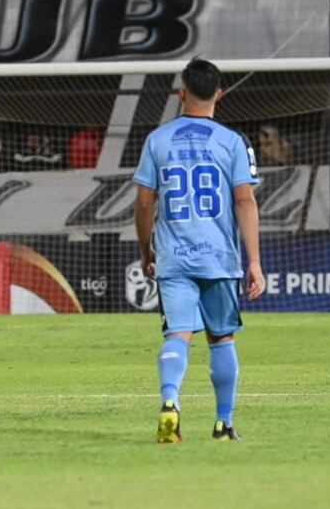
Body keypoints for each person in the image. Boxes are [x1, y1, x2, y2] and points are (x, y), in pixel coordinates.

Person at [133, 59, 264, 444]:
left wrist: (146, 250)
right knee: (222, 338)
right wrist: (254, 261)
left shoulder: (157, 140)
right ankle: (223, 423)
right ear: (219, 94)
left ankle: (171, 402)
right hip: (219, 258)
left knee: (178, 334)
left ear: (182, 92)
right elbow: (245, 202)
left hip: (173, 258)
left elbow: (143, 204)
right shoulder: (232, 141)